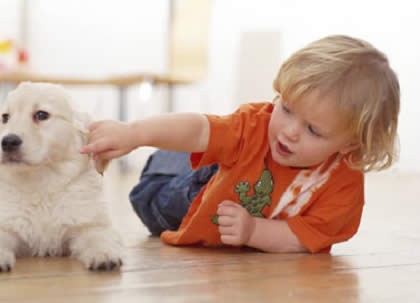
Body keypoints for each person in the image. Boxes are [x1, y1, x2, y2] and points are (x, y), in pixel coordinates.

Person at [80, 35, 400, 253]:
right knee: (178, 165)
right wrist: (134, 133)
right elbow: (198, 130)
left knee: (221, 151)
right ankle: (183, 157)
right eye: (286, 108)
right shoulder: (257, 124)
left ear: (350, 145)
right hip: (172, 194)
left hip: (226, 204)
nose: (288, 131)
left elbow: (305, 237)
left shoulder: (343, 187)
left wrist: (253, 232)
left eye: (313, 130)